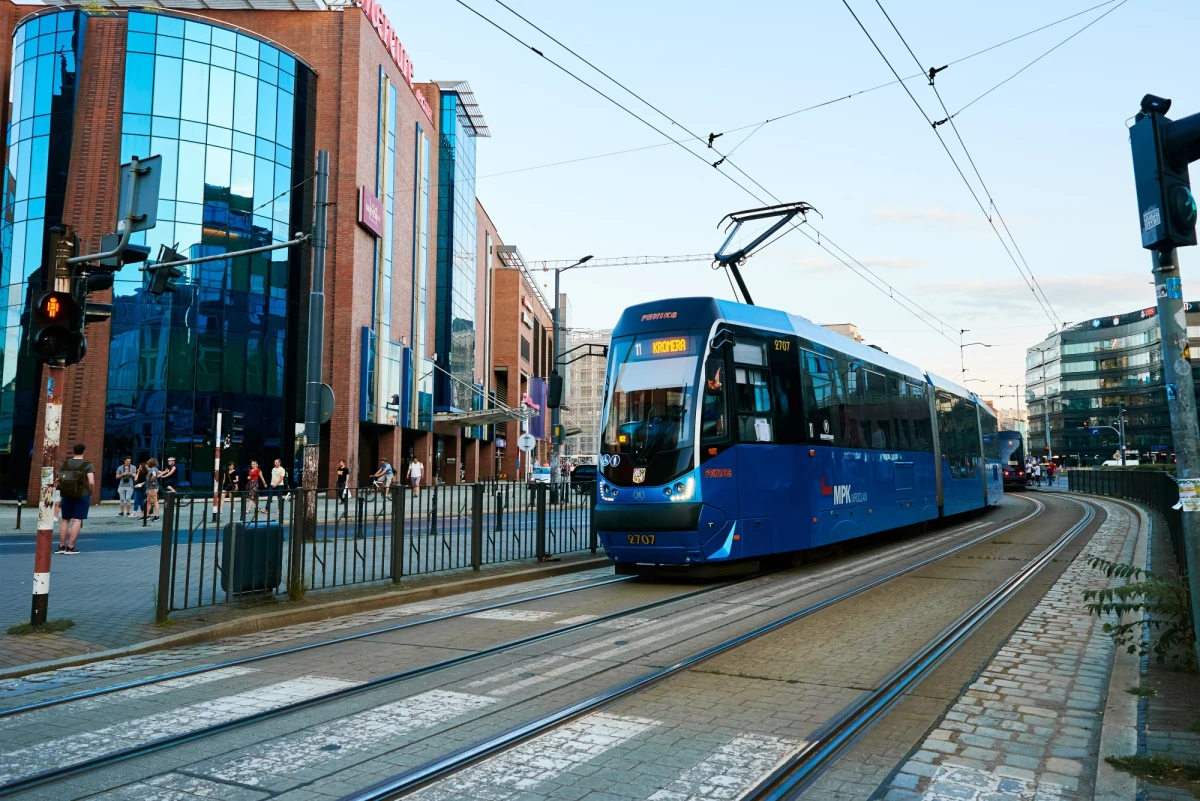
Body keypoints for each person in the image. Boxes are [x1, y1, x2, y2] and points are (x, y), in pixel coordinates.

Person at [55, 443, 94, 555]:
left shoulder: (65, 464)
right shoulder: (88, 465)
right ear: (84, 451)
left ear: (73, 451)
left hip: (66, 494)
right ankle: (70, 547)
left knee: (65, 520)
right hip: (82, 494)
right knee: (77, 520)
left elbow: (58, 479)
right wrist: (90, 492)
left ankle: (61, 546)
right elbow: (91, 482)